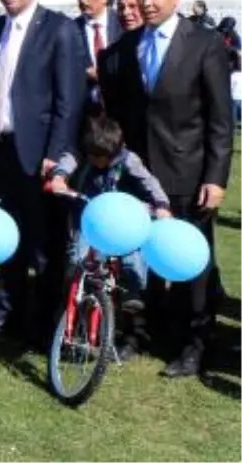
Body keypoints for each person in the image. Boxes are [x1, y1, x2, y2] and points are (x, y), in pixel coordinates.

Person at [96, 0, 232, 378]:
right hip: (139, 180)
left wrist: (215, 177)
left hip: (189, 176)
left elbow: (220, 119)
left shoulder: (205, 44)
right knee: (140, 265)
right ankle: (140, 332)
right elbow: (114, 120)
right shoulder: (120, 52)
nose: (148, 2)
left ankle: (195, 344)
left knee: (191, 265)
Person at [0, 0, 88, 345]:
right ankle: (8, 316)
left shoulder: (59, 30)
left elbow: (69, 102)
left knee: (45, 248)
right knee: (7, 243)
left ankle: (47, 325)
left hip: (39, 157)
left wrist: (55, 155)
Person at [48, 114, 173, 361]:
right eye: (94, 156)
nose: (98, 162)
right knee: (77, 260)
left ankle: (133, 295)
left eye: (103, 158)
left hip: (119, 222)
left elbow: (149, 182)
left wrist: (161, 205)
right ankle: (68, 312)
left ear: (116, 152)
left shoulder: (128, 160)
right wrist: (59, 177)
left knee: (132, 256)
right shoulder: (82, 153)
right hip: (88, 220)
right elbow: (68, 159)